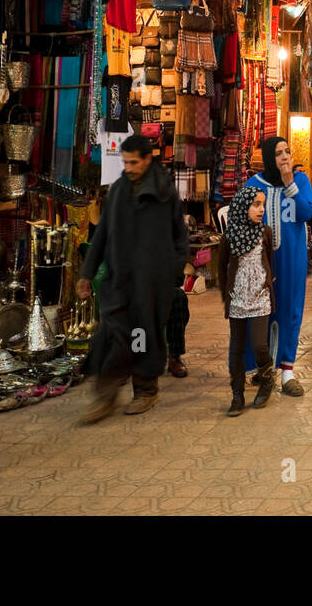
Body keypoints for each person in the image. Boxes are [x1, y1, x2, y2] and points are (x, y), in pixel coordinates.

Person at [77, 134, 188, 421]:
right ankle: (106, 392)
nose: (128, 167)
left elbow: (180, 237)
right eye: (125, 162)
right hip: (120, 280)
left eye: (134, 162)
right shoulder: (117, 191)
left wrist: (173, 272)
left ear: (148, 159)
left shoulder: (165, 192)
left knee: (143, 336)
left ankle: (146, 390)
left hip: (153, 283)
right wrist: (87, 273)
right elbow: (101, 234)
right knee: (111, 333)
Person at [244, 136, 312, 396]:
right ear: (267, 158)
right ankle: (260, 368)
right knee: (259, 314)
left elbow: (307, 214)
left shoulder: (301, 181)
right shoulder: (253, 184)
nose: (285, 157)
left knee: (290, 312)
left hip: (292, 261)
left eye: (287, 151)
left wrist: (289, 185)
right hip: (260, 263)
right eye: (278, 153)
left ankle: (287, 372)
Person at [219, 186, 277, 417]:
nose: (261, 209)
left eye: (262, 204)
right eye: (255, 204)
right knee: (236, 348)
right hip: (237, 299)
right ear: (243, 207)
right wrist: (227, 297)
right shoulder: (229, 237)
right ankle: (237, 394)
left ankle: (266, 381)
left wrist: (266, 285)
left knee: (258, 345)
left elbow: (268, 262)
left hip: (260, 297)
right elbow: (222, 270)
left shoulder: (265, 233)